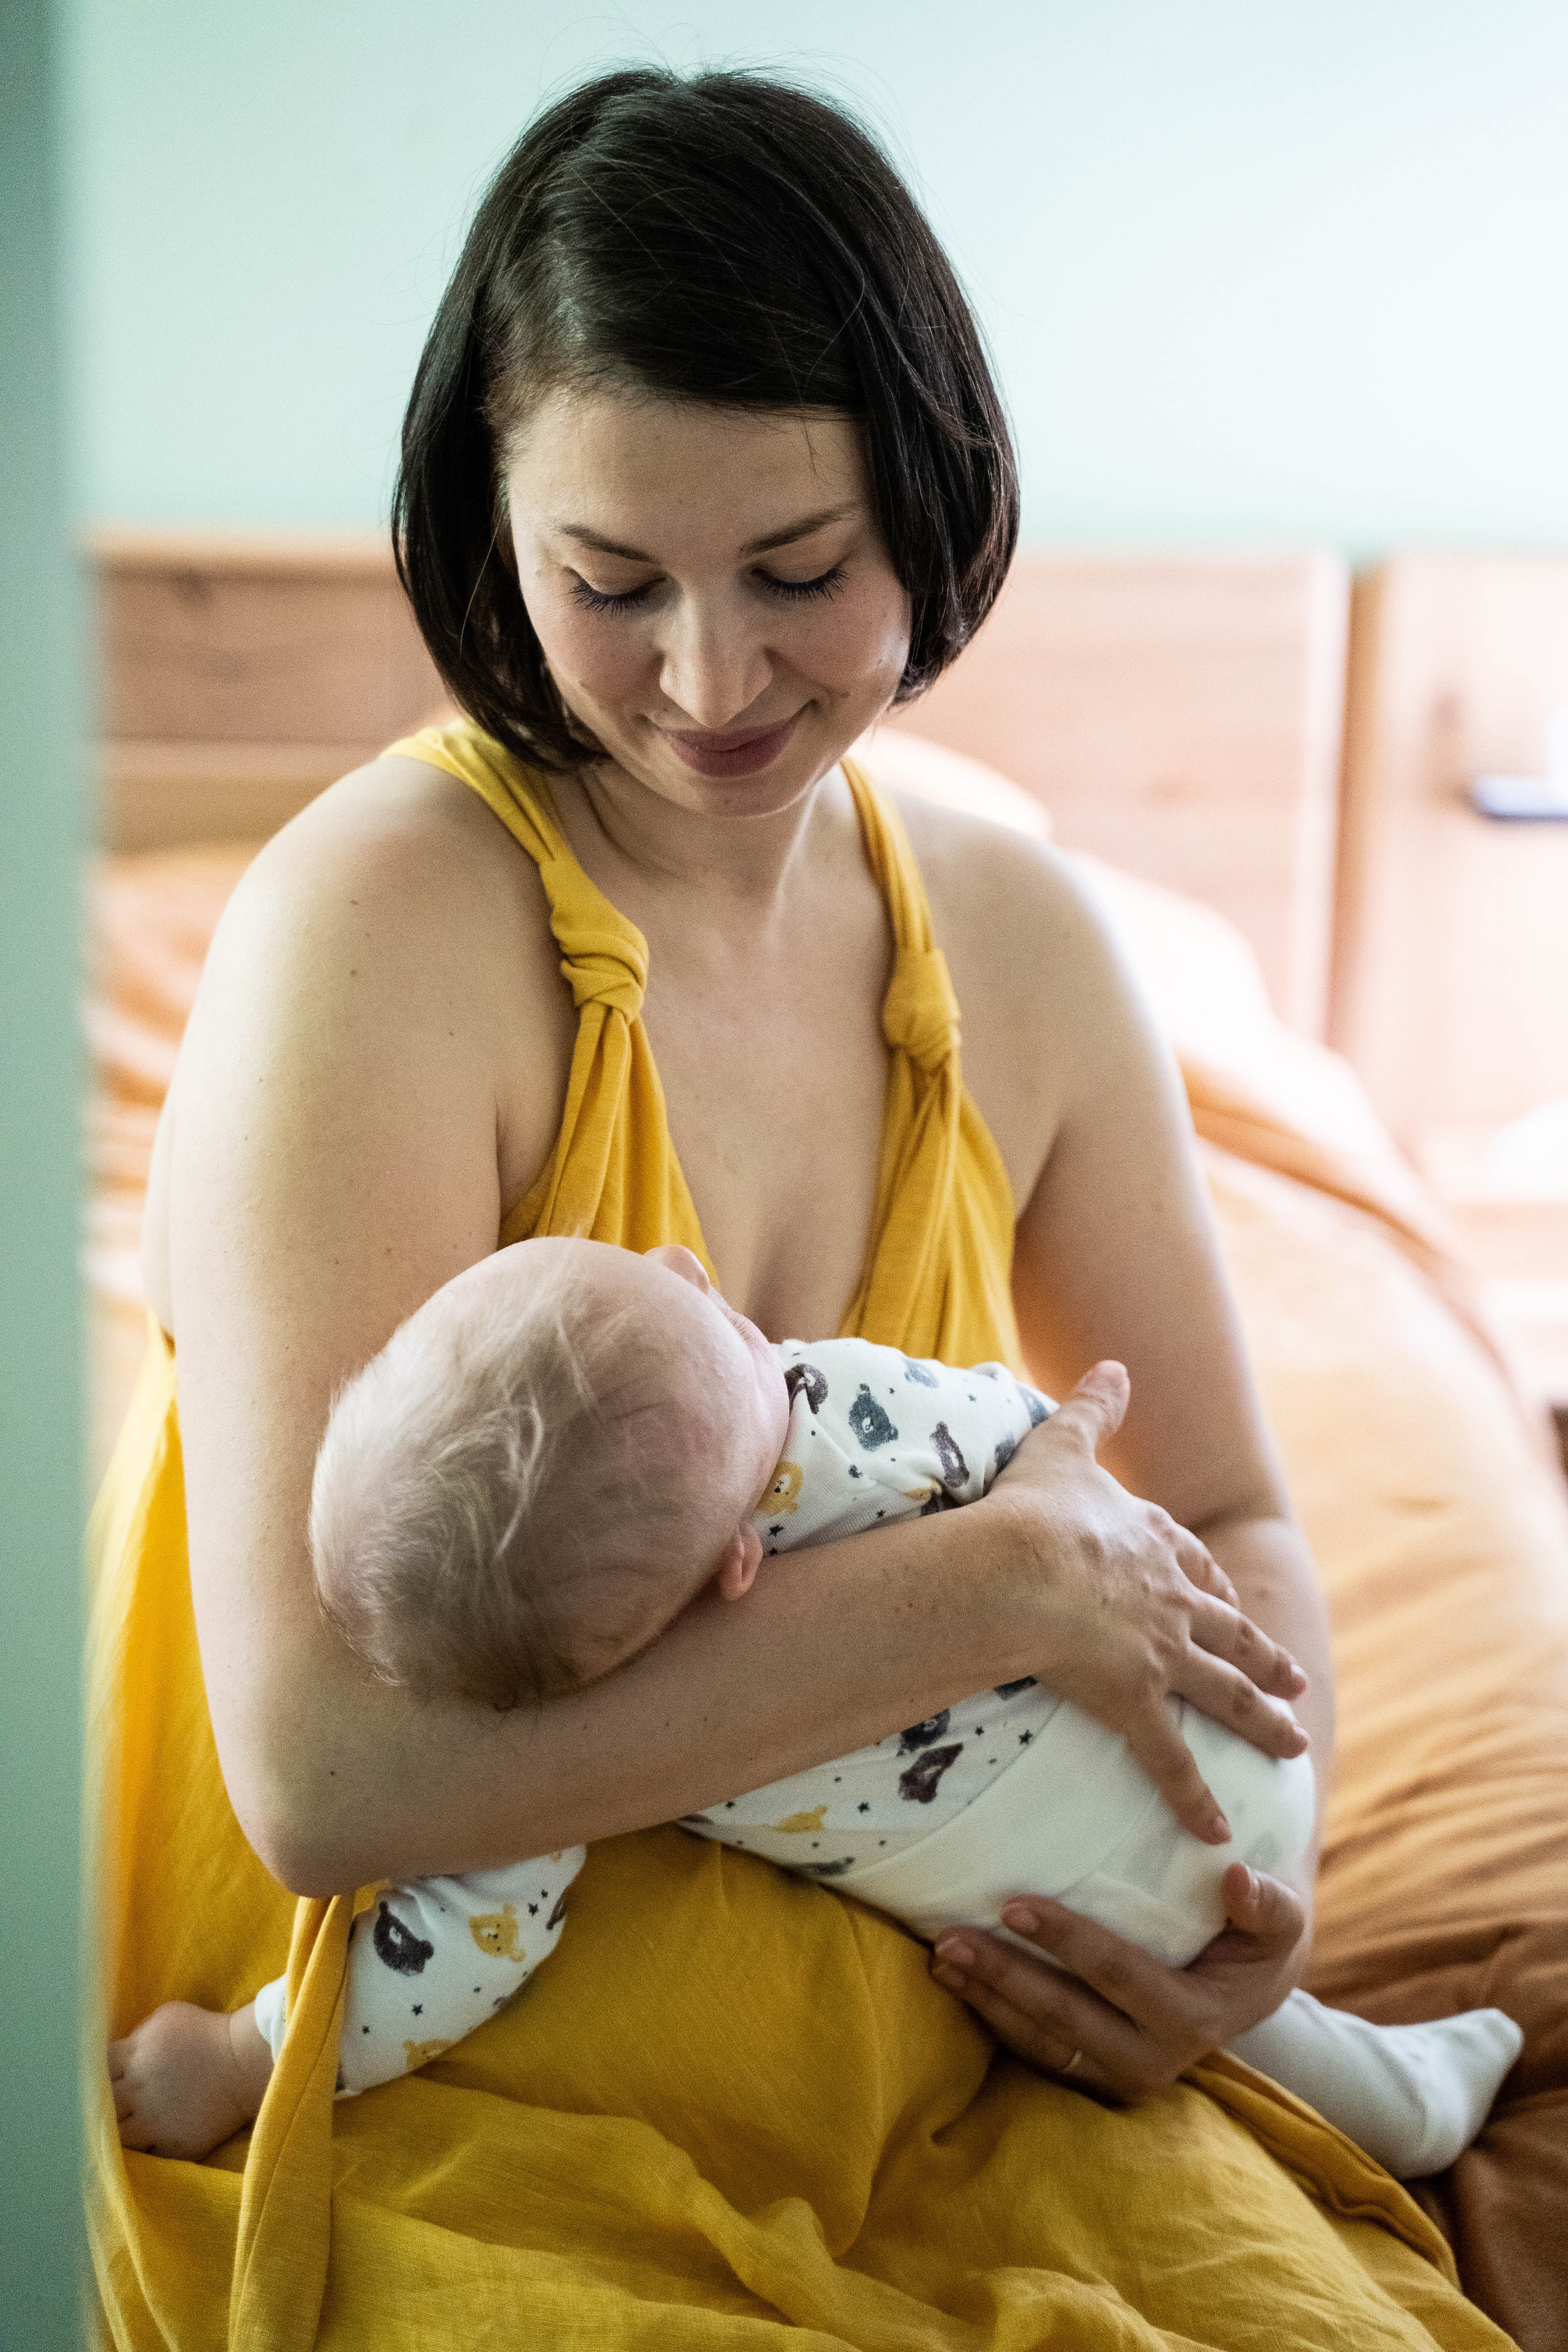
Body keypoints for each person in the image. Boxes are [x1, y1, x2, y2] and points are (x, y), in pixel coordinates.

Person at [92, 64, 1507, 2349]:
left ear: (928, 516)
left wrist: (1255, 1914)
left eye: (799, 573)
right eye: (610, 581)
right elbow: (330, 1776)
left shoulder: (1023, 938)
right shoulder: (370, 928)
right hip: (447, 2017)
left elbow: (1237, 1506)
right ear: (492, 526)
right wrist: (1008, 1584)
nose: (712, 678)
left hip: (963, 1999)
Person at [108, 1238, 1520, 2179]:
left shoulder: (564, 1743)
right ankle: (1369, 2065)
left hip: (1069, 1911)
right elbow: (1028, 1449)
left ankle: (1391, 2096)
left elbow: (453, 1954)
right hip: (1222, 1773)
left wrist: (247, 2055)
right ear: (737, 1569)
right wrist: (1058, 1457)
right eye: (709, 1311)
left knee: (1211, 1974)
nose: (682, 1257)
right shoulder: (834, 1414)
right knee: (1215, 1935)